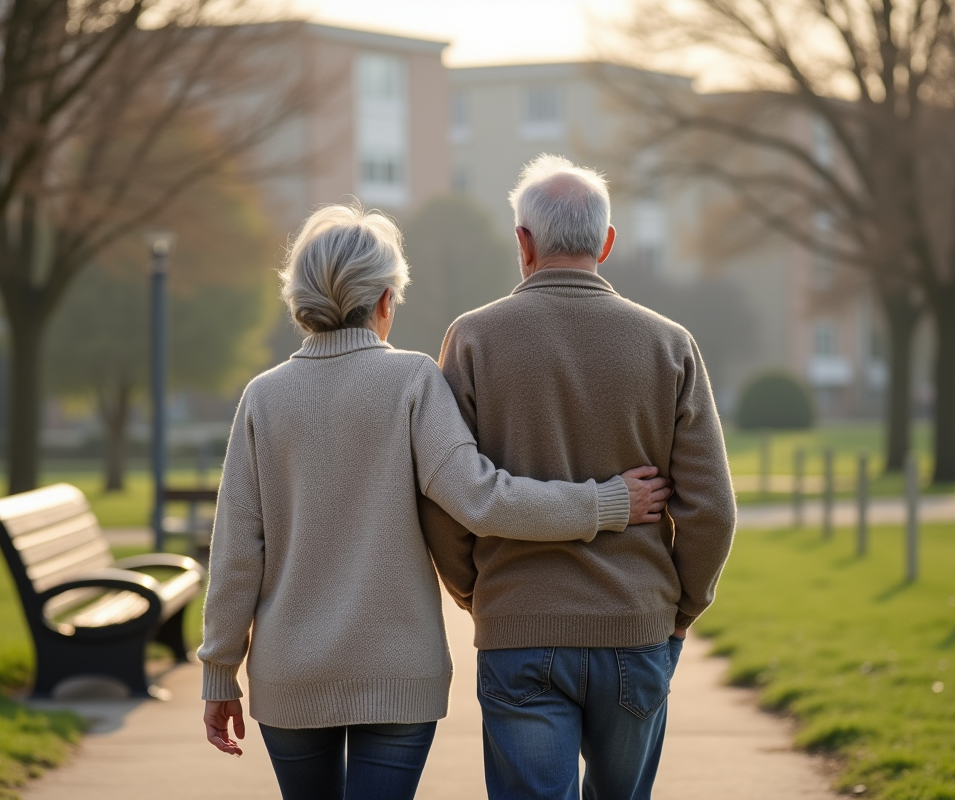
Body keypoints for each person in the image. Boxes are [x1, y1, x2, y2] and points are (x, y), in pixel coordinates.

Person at [197, 202, 672, 800]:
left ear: (300, 298)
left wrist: (219, 674)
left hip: (292, 675)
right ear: (386, 300)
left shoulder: (262, 398)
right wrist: (605, 504)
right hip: (400, 672)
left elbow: (237, 551)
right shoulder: (414, 382)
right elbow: (480, 501)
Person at [423, 154, 737, 800]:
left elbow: (445, 498)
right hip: (637, 623)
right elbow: (712, 510)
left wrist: (474, 592)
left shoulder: (473, 339)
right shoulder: (669, 344)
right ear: (608, 242)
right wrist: (683, 608)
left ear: (524, 243)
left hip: (519, 624)